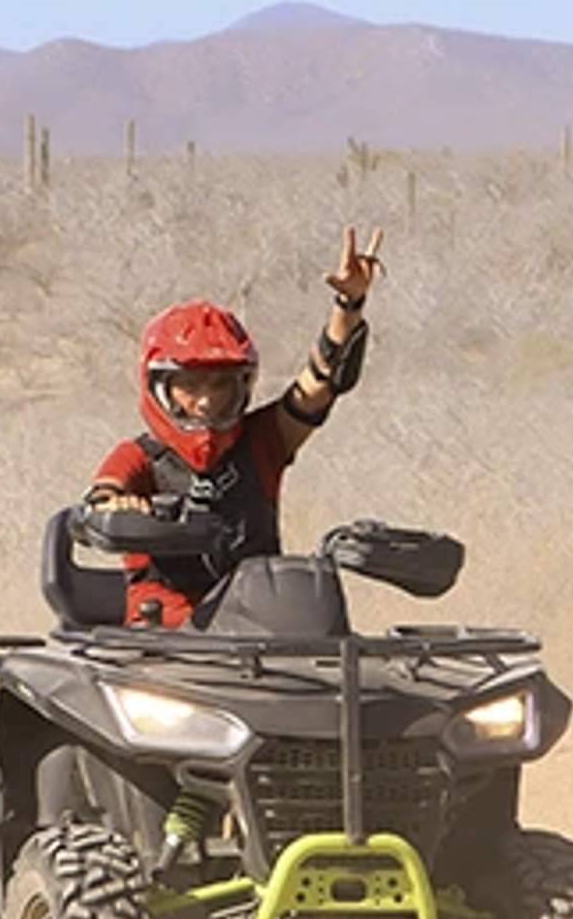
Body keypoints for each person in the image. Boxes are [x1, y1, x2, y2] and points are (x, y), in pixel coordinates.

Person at [83, 228, 384, 626]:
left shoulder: (263, 442)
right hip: (160, 647)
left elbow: (320, 385)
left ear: (243, 385)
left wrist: (349, 303)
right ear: (158, 387)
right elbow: (102, 495)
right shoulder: (139, 456)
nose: (207, 400)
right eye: (190, 386)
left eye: (221, 385)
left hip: (265, 633)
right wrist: (116, 507)